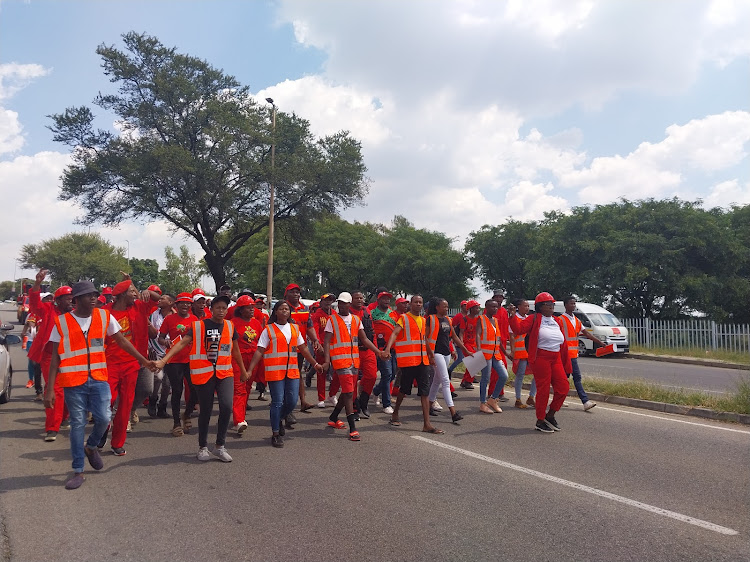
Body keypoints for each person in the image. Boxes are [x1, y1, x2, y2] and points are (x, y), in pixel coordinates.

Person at [44, 281, 156, 489]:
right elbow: (54, 359)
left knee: (104, 418)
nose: (94, 298)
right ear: (76, 299)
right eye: (88, 295)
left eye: (95, 294)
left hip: (99, 378)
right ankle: (78, 470)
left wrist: (143, 360)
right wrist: (50, 389)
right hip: (73, 382)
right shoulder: (62, 323)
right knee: (78, 424)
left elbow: (122, 341)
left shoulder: (104, 317)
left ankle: (92, 446)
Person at [156, 295, 249, 462]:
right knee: (205, 411)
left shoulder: (229, 326)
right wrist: (164, 360)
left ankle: (220, 446)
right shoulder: (198, 326)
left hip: (224, 373)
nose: (221, 311)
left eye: (224, 308)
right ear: (210, 309)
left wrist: (242, 370)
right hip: (204, 374)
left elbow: (235, 351)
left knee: (227, 406)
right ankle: (203, 447)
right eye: (218, 307)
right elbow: (182, 343)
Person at [246, 301, 322, 448]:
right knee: (277, 402)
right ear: (275, 312)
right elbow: (259, 351)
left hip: (292, 371)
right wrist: (250, 370)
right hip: (275, 372)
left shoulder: (294, 328)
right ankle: (275, 433)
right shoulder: (268, 330)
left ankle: (278, 418)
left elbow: (304, 349)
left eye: (287, 309)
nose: (285, 311)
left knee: (292, 401)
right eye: (281, 309)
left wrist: (315, 364)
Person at [101, 278, 159, 455]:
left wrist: (149, 293)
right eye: (131, 292)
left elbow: (159, 298)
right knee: (106, 403)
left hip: (132, 364)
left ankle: (117, 443)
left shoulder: (139, 307)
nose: (135, 294)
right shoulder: (104, 313)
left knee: (126, 404)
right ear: (121, 295)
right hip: (109, 364)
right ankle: (101, 432)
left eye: (136, 291)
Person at [321, 292, 386, 441]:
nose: (342, 305)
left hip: (354, 361)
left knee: (347, 392)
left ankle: (334, 417)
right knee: (350, 393)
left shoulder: (356, 320)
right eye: (340, 303)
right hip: (340, 362)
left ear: (349, 304)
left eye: (344, 303)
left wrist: (378, 352)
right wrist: (326, 361)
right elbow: (326, 341)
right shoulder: (332, 320)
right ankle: (353, 428)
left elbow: (364, 339)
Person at [508, 292, 571, 433]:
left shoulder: (557, 320)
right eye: (548, 304)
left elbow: (564, 345)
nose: (551, 307)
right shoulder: (534, 318)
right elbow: (518, 329)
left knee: (563, 388)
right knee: (543, 390)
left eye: (552, 304)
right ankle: (540, 420)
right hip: (541, 358)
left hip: (556, 358)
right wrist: (512, 316)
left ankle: (550, 415)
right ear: (540, 306)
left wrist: (567, 365)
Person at [384, 295, 444, 434]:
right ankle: (395, 413)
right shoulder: (404, 318)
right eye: (415, 302)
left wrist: (430, 355)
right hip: (409, 362)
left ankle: (427, 424)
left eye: (420, 302)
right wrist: (387, 349)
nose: (418, 304)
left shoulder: (423, 321)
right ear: (410, 304)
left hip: (423, 361)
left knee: (424, 391)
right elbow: (394, 333)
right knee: (404, 389)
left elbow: (424, 340)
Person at [27, 270, 74, 440]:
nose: (71, 301)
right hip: (49, 355)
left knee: (70, 388)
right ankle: (52, 427)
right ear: (58, 300)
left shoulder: (76, 313)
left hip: (70, 355)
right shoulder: (47, 309)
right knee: (55, 389)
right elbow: (34, 305)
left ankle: (64, 417)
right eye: (68, 299)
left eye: (72, 298)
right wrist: (37, 284)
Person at [158, 292, 199, 436]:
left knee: (195, 389)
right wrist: (165, 342)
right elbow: (160, 338)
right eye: (182, 303)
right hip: (174, 360)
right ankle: (176, 423)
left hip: (191, 359)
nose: (185, 305)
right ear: (177, 305)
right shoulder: (169, 319)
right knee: (177, 390)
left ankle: (187, 414)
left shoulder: (195, 320)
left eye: (188, 303)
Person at [425, 298, 471, 423]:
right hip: (436, 353)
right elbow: (425, 338)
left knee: (437, 380)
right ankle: (453, 412)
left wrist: (464, 350)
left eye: (447, 306)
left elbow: (454, 337)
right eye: (443, 306)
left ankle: (428, 406)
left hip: (446, 353)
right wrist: (430, 355)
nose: (446, 309)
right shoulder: (431, 319)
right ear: (437, 307)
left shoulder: (448, 320)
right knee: (445, 381)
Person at [561, 296, 604, 411]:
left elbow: (586, 334)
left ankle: (559, 399)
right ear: (565, 305)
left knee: (565, 378)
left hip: (573, 354)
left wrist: (599, 342)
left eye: (574, 304)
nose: (573, 306)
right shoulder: (560, 320)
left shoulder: (576, 320)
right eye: (571, 303)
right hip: (565, 354)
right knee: (576, 377)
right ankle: (585, 401)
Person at [229, 294, 263, 434]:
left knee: (247, 387)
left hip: (253, 360)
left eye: (253, 307)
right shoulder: (232, 323)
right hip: (238, 359)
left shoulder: (256, 323)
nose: (252, 310)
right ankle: (239, 420)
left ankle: (240, 415)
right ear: (241, 309)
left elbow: (261, 341)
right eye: (248, 308)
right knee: (239, 389)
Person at [284, 283, 319, 412]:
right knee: (287, 375)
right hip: (285, 348)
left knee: (297, 374)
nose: (296, 294)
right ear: (286, 294)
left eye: (297, 292)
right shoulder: (284, 308)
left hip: (299, 348)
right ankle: (284, 401)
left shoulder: (304, 308)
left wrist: (315, 339)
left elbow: (309, 326)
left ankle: (302, 401)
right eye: (292, 292)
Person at [476, 299, 510, 414]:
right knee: (485, 378)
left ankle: (493, 399)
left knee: (504, 375)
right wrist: (479, 349)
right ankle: (482, 403)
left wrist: (506, 353)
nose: (495, 309)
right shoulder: (481, 319)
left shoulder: (495, 320)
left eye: (496, 307)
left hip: (495, 353)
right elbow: (478, 334)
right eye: (492, 307)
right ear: (486, 307)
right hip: (485, 353)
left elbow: (498, 339)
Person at [349, 290, 378, 419]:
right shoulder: (347, 314)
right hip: (353, 351)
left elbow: (372, 332)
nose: (360, 300)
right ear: (351, 300)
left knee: (372, 376)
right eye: (357, 298)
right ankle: (355, 409)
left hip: (368, 350)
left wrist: (376, 349)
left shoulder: (367, 312)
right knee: (353, 381)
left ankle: (364, 402)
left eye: (361, 298)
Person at [147, 292, 175, 418]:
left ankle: (162, 407)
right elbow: (151, 333)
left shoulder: (175, 316)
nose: (160, 300)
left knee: (167, 383)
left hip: (171, 353)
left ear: (170, 303)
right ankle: (152, 401)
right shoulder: (154, 315)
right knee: (158, 378)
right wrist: (149, 348)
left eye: (163, 298)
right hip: (155, 350)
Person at [371, 290, 399, 414]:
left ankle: (376, 391)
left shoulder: (393, 314)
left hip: (393, 349)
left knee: (392, 375)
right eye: (384, 298)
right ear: (378, 300)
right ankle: (386, 404)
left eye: (388, 299)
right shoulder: (372, 314)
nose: (386, 301)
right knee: (387, 374)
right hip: (381, 350)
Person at [310, 293, 338, 407]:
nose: (328, 302)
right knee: (321, 373)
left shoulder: (335, 314)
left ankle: (332, 395)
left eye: (330, 300)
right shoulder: (317, 315)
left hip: (335, 348)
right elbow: (314, 331)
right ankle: (321, 398)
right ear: (321, 302)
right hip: (322, 348)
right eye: (326, 300)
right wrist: (318, 346)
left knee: (338, 373)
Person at [509, 298, 537, 408]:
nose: (527, 308)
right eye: (525, 306)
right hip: (520, 352)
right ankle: (518, 399)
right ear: (518, 307)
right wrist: (512, 351)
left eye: (528, 306)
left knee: (537, 374)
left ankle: (531, 397)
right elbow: (511, 336)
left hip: (530, 351)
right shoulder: (514, 318)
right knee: (520, 375)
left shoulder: (529, 319)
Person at [459, 300, 481, 390]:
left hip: (475, 343)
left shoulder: (478, 319)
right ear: (471, 309)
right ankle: (468, 381)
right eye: (476, 308)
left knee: (475, 362)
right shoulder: (465, 319)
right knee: (473, 361)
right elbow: (461, 332)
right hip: (467, 343)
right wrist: (461, 343)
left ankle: (465, 381)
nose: (478, 309)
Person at [447, 300, 468, 377]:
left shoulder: (468, 317)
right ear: (461, 307)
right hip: (459, 339)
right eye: (464, 305)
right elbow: (452, 326)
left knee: (468, 358)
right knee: (461, 358)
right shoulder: (458, 316)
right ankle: (450, 369)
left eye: (467, 305)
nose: (466, 307)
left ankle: (469, 376)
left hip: (467, 340)